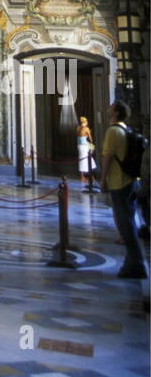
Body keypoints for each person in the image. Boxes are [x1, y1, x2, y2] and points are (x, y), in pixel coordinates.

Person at [101, 102, 147, 279]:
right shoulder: (125, 129)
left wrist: (103, 179)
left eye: (111, 106)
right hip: (130, 181)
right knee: (128, 220)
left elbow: (107, 158)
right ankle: (133, 261)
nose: (108, 107)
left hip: (119, 182)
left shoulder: (113, 131)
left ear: (116, 112)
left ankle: (136, 264)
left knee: (124, 224)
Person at [76, 114, 95, 192]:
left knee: (82, 160)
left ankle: (85, 175)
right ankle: (85, 176)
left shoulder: (78, 128)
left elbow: (79, 135)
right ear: (85, 122)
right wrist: (91, 140)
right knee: (86, 160)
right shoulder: (86, 128)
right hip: (84, 146)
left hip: (79, 145)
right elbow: (90, 139)